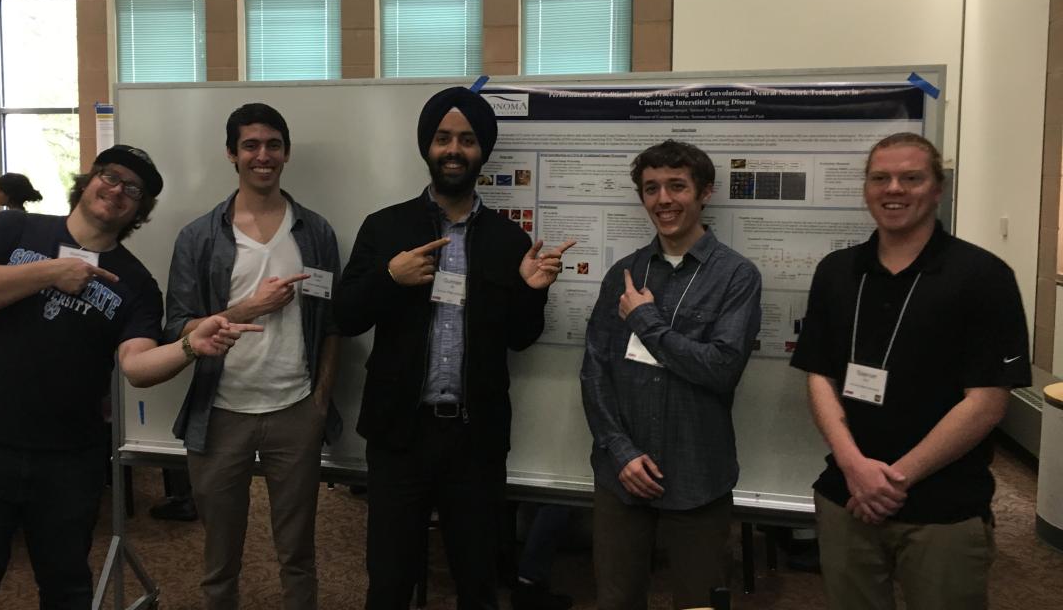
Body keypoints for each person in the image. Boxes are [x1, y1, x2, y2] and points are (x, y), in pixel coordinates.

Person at [0, 144, 260, 609]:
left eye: (133, 189)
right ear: (87, 181)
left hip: (67, 462)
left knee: (67, 589)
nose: (118, 190)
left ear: (138, 210)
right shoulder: (15, 228)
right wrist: (52, 272)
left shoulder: (138, 285)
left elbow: (137, 366)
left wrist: (191, 346)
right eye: (110, 176)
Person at [335, 86, 574, 609]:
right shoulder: (385, 227)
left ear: (482, 151)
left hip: (476, 441)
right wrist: (388, 278)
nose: (454, 149)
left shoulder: (508, 240)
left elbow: (520, 338)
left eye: (467, 139)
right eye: (443, 137)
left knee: (478, 582)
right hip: (399, 436)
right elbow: (345, 316)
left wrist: (534, 294)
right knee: (391, 582)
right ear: (427, 146)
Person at [791, 132, 1030, 610]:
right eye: (881, 178)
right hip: (846, 497)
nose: (893, 188)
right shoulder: (836, 271)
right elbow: (819, 376)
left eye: (911, 177)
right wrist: (856, 469)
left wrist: (891, 480)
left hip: (943, 508)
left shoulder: (984, 276)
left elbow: (987, 402)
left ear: (937, 189)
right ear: (866, 188)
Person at [151, 103, 342, 609]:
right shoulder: (199, 236)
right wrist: (248, 307)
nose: (263, 155)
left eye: (273, 145)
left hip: (295, 410)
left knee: (298, 550)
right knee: (220, 556)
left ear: (286, 153)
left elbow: (332, 323)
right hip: (220, 413)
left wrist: (321, 397)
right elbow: (177, 326)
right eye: (251, 145)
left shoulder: (315, 231)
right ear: (232, 154)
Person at [579, 140, 762, 610]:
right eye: (652, 188)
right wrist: (619, 450)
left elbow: (721, 369)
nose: (664, 200)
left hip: (698, 472)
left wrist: (644, 321)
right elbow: (594, 371)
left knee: (699, 603)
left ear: (705, 192)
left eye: (677, 186)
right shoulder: (624, 273)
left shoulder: (737, 276)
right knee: (616, 599)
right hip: (622, 474)